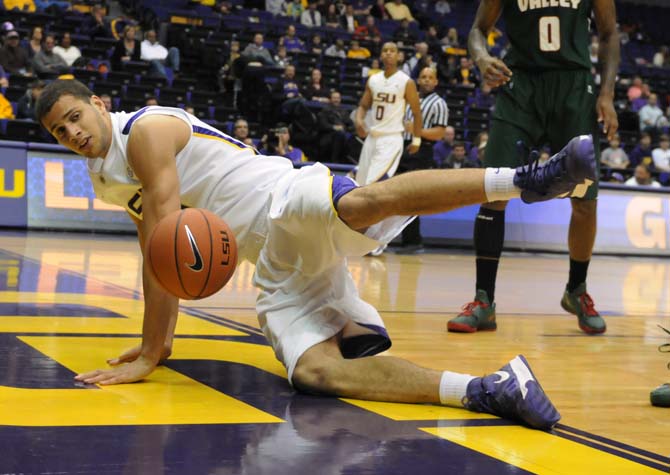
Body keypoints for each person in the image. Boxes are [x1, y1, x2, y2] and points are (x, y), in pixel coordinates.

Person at [36, 79, 597, 430]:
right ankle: (490, 390)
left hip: (281, 196)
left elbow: (163, 240)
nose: (72, 132)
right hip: (274, 263)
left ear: (100, 104)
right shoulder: (105, 177)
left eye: (75, 118)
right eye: (60, 130)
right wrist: (152, 345)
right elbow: (156, 253)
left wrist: (152, 355)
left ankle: (525, 178)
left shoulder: (145, 132)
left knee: (367, 203)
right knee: (314, 373)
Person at [447, 0, 619, 335]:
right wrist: (481, 59)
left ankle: (576, 290)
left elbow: (610, 33)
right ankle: (484, 301)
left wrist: (607, 94)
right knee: (493, 189)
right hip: (520, 87)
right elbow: (478, 30)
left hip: (574, 89)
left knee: (584, 200)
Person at [396, 67, 448, 254]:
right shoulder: (408, 100)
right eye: (423, 77)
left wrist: (416, 130)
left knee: (412, 197)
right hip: (401, 148)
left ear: (436, 82)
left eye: (430, 78)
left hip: (422, 151)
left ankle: (413, 241)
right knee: (396, 196)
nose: (426, 80)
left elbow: (439, 133)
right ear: (418, 80)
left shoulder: (439, 103)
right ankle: (397, 239)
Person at [354, 42, 421, 187]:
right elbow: (364, 105)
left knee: (374, 184)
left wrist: (416, 140)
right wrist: (359, 120)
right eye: (385, 50)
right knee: (360, 185)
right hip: (371, 137)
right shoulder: (373, 79)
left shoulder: (406, 82)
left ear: (398, 56)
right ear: (380, 55)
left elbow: (416, 112)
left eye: (392, 51)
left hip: (391, 139)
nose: (388, 53)